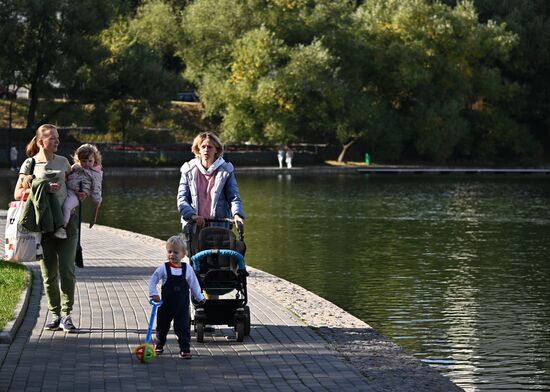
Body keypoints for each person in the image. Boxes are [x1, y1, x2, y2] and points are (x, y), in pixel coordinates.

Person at [13, 124, 86, 332]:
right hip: (43, 225)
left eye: (58, 138)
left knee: (67, 269)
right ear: (40, 141)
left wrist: (83, 193)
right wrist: (42, 188)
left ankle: (67, 314)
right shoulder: (30, 164)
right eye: (52, 138)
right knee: (49, 274)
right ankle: (55, 314)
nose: (57, 141)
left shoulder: (64, 162)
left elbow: (75, 185)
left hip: (67, 224)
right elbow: (18, 194)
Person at [177, 132, 245, 238]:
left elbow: (234, 198)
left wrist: (237, 215)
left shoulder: (226, 170)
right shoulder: (188, 170)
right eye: (203, 146)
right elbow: (182, 199)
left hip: (219, 227)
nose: (206, 150)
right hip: (194, 227)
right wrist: (192, 216)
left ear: (216, 150)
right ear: (198, 149)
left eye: (210, 147)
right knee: (195, 254)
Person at [148, 235, 205, 359]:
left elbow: (194, 284)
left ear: (183, 254)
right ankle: (159, 344)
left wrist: (200, 297)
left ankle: (185, 349)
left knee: (183, 327)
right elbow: (153, 281)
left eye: (175, 252)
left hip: (182, 307)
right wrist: (153, 294)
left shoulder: (187, 269)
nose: (172, 255)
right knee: (162, 327)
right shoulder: (164, 268)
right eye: (169, 252)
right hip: (166, 305)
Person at [54, 144, 103, 239]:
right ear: (79, 160)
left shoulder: (95, 173)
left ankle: (63, 229)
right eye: (83, 161)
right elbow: (68, 175)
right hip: (67, 189)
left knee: (66, 206)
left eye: (90, 161)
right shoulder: (76, 167)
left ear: (95, 160)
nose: (87, 164)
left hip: (78, 194)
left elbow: (96, 188)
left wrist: (97, 200)